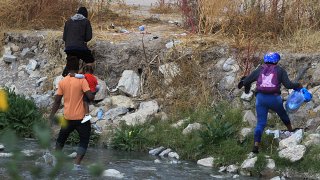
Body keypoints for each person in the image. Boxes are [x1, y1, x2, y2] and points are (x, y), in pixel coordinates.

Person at [238, 52, 302, 154]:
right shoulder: (280, 70)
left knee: (261, 123)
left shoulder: (259, 69)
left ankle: (256, 146)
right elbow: (289, 85)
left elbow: (246, 82)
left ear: (265, 59)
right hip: (274, 98)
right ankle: (290, 130)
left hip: (261, 99)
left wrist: (244, 81)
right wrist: (298, 85)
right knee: (282, 114)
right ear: (277, 61)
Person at [49, 56, 94, 170]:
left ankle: (55, 161)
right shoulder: (82, 80)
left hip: (67, 117)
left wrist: (51, 117)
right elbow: (90, 97)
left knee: (61, 139)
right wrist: (92, 92)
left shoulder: (62, 82)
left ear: (67, 67)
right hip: (82, 118)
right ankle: (76, 165)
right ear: (78, 67)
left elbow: (57, 101)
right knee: (84, 140)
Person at [62, 6, 94, 77]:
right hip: (80, 48)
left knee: (72, 65)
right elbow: (88, 37)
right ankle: (83, 76)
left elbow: (64, 38)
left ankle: (68, 76)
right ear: (85, 15)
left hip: (69, 49)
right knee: (90, 61)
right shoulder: (86, 21)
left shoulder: (68, 22)